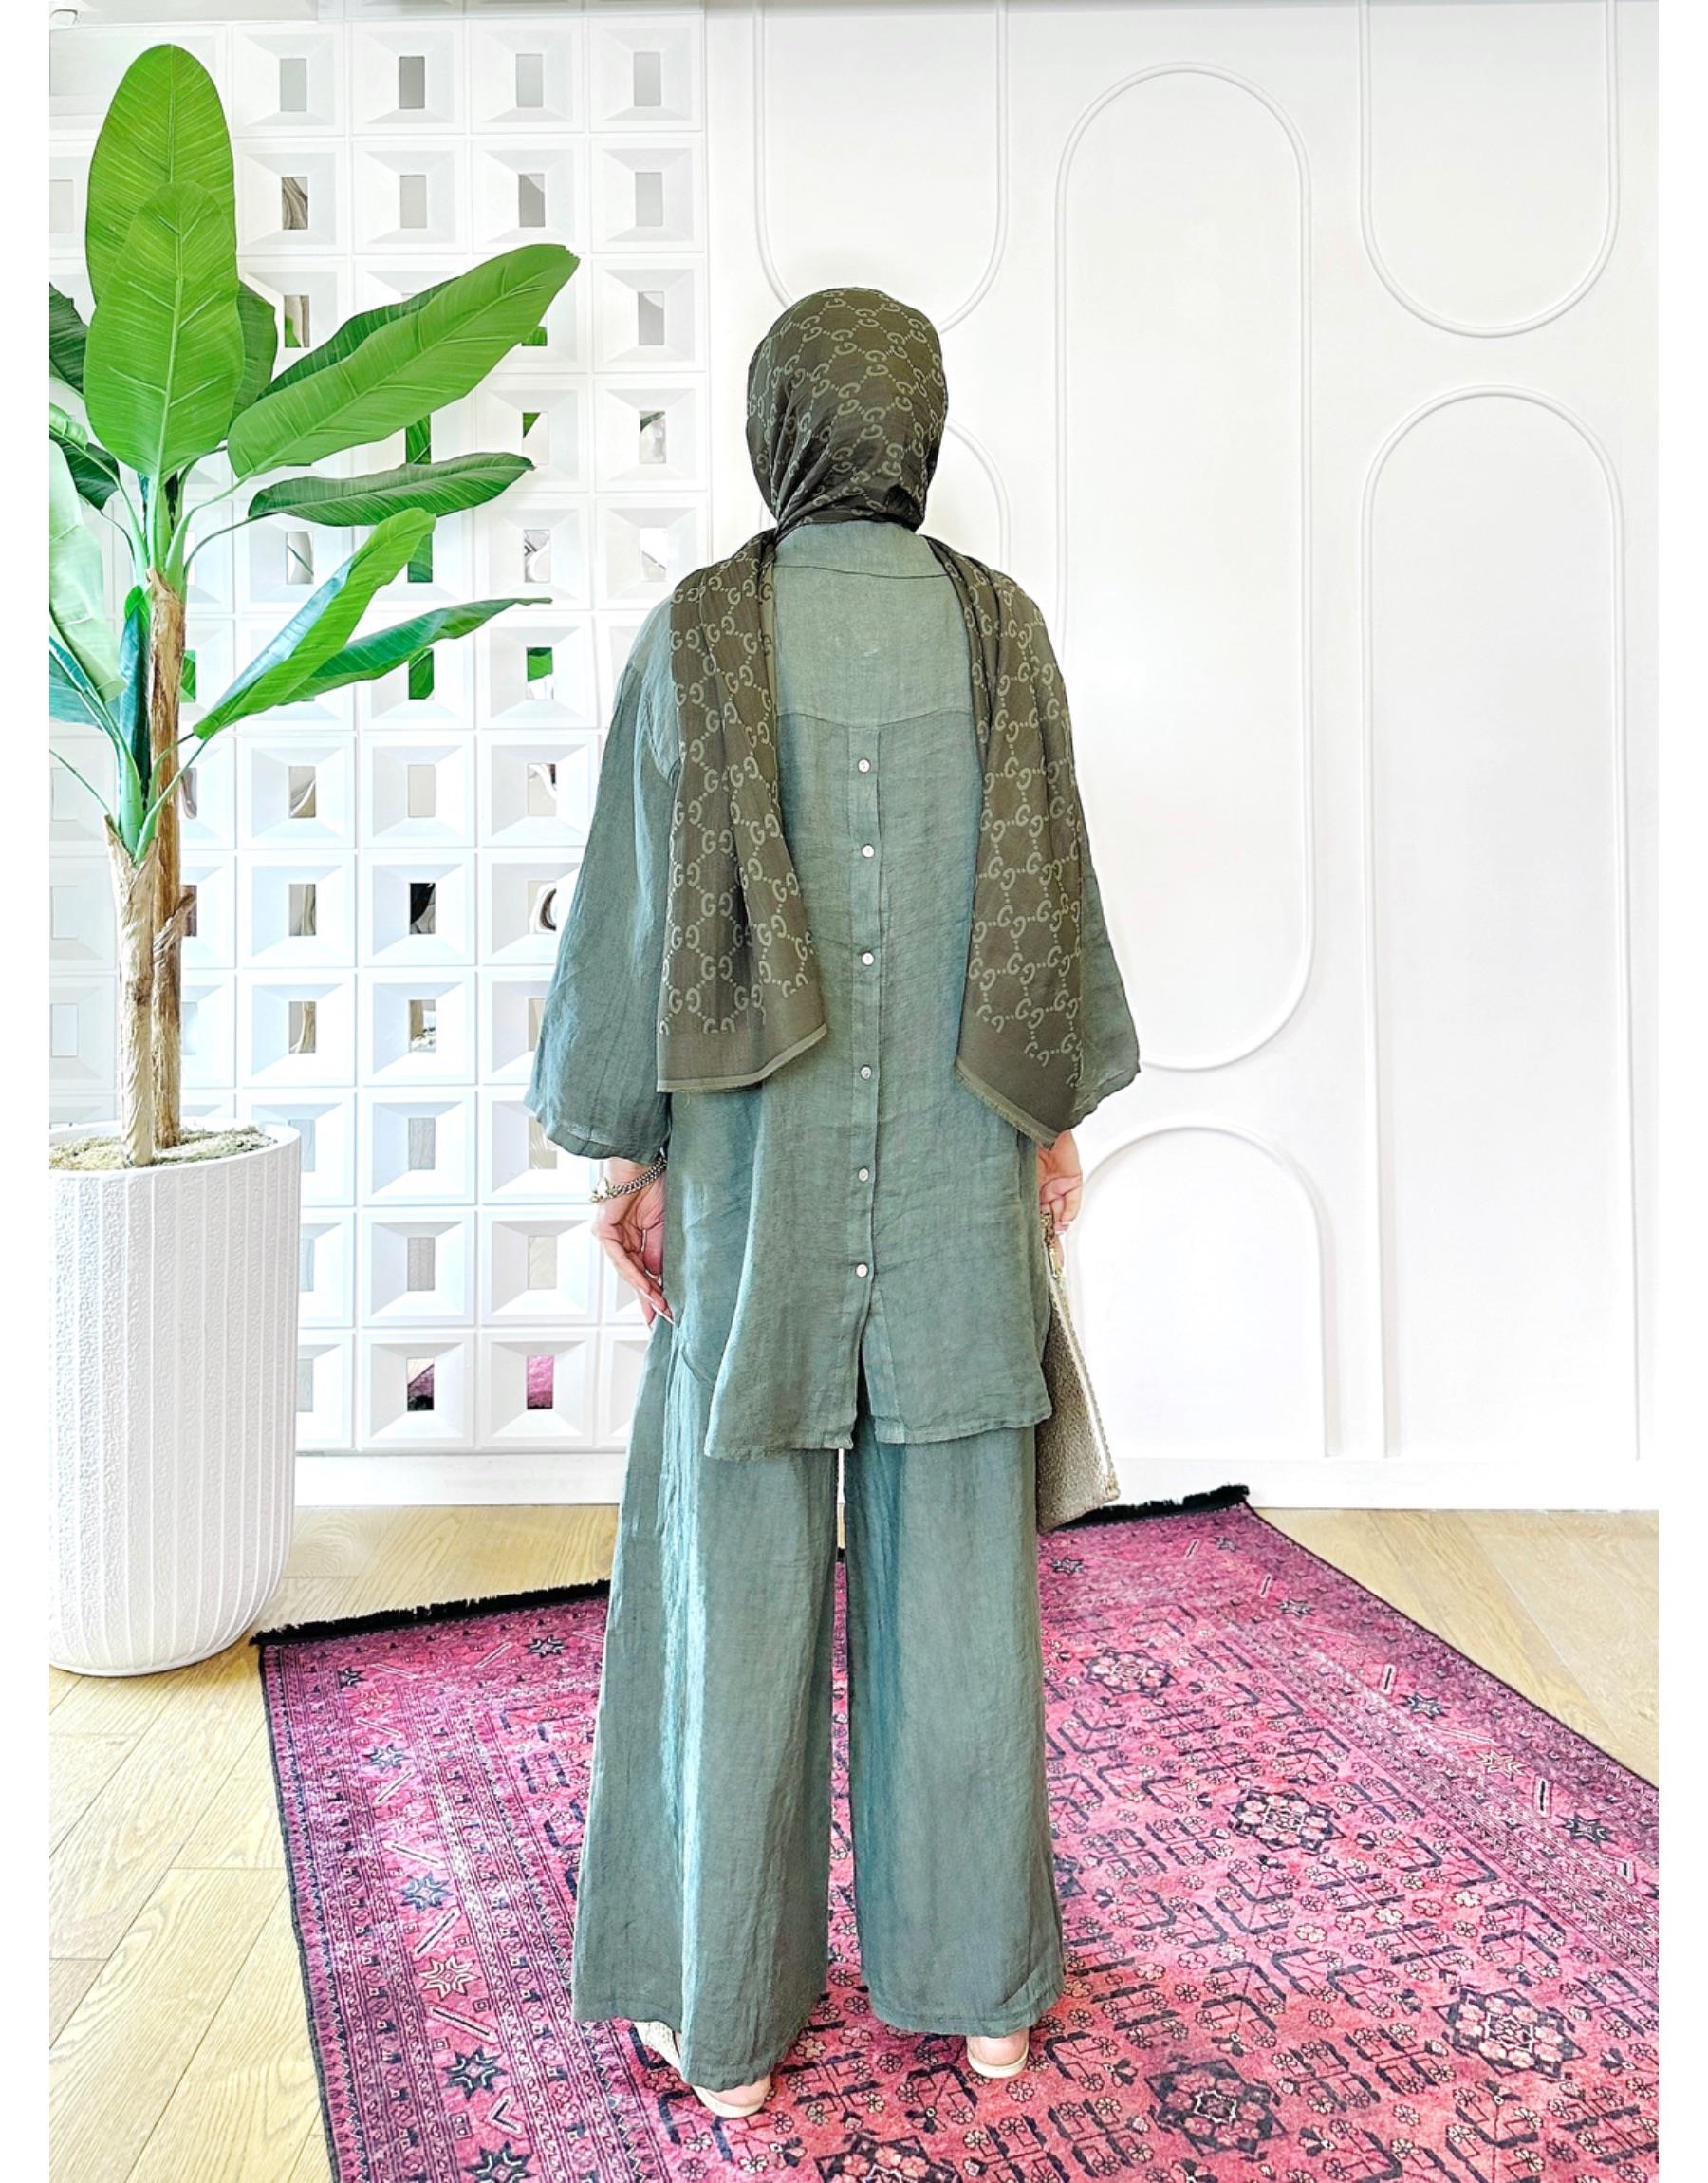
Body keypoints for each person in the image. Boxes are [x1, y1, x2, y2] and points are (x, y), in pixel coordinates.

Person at [527, 287, 1139, 2118]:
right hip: (960, 1168)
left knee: (734, 1569)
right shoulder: (1002, 631)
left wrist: (628, 1160)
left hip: (752, 1181)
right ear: (915, 428)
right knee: (960, 1569)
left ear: (778, 425)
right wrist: (1044, 1134)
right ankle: (986, 1994)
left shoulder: (699, 635)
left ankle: (724, 2026)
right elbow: (1047, 907)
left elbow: (633, 915)